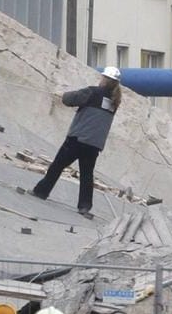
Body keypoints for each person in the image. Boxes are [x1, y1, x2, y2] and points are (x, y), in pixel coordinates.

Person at [32, 67, 122, 218]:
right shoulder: (114, 101)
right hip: (94, 144)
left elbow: (70, 99)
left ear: (105, 79)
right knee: (87, 175)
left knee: (57, 166)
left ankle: (41, 191)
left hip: (78, 138)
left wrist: (62, 95)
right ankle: (84, 206)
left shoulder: (92, 92)